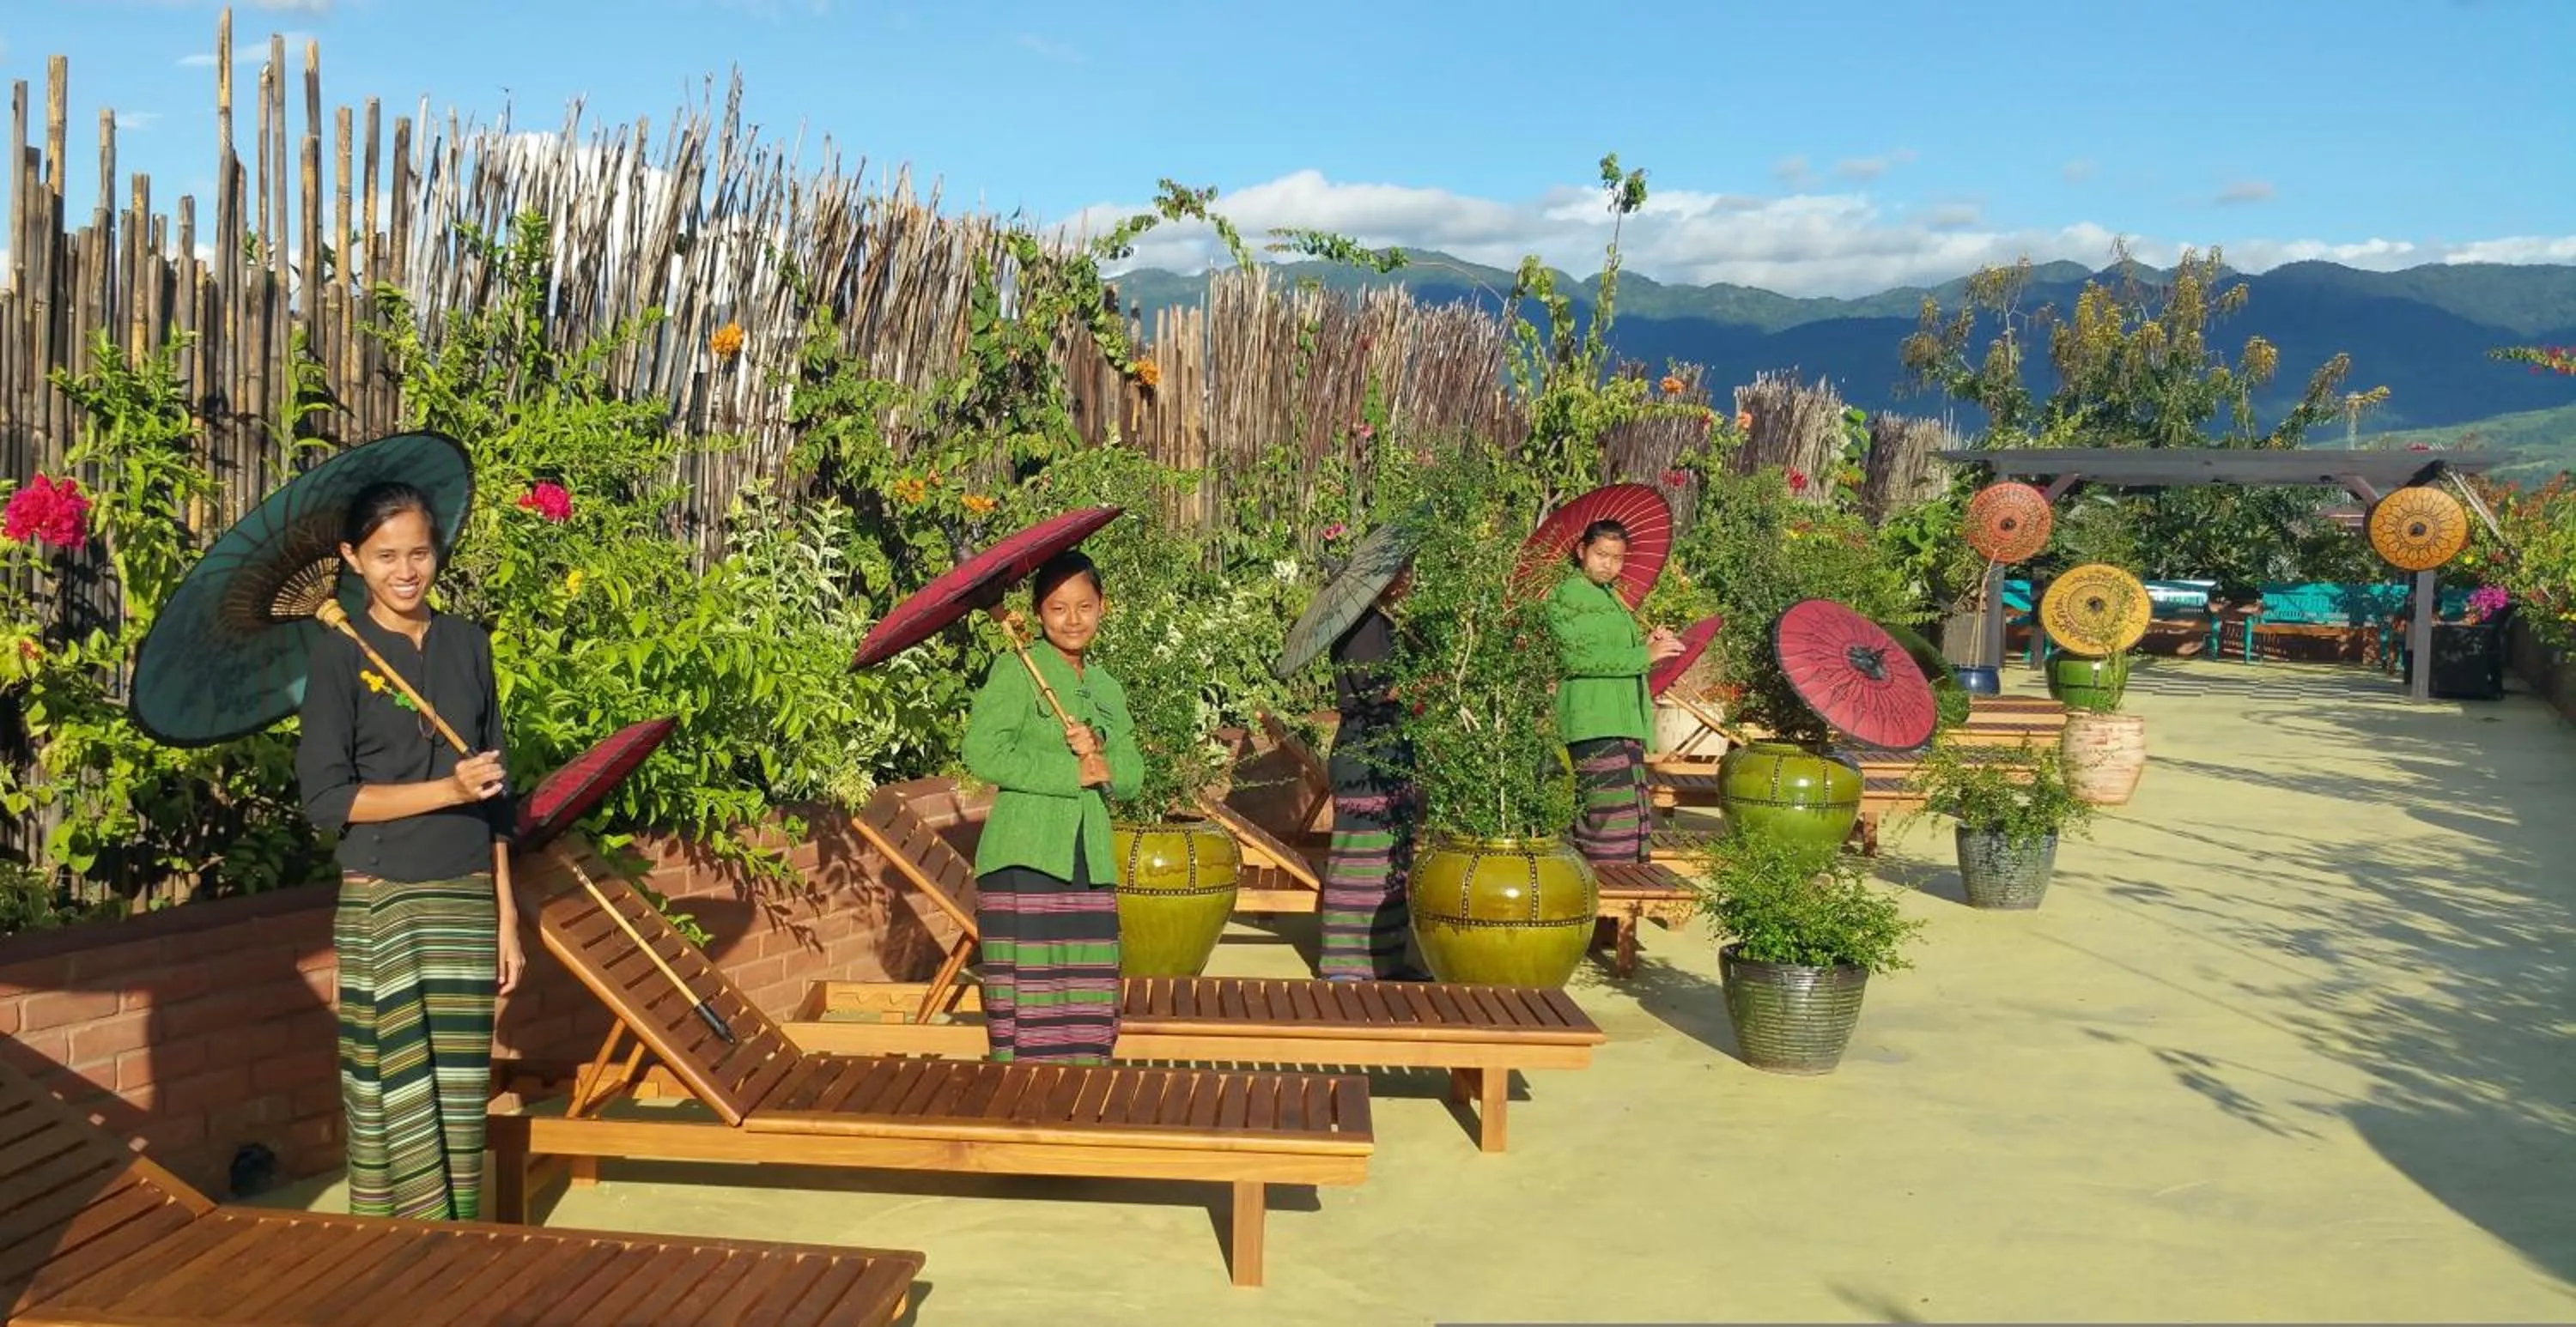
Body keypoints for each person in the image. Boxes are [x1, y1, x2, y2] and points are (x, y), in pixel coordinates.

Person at [295, 480, 521, 1222]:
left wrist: (507, 920)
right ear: (352, 560)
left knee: (458, 1101)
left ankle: (453, 1260)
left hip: (464, 902)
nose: (405, 570)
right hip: (385, 902)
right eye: (385, 555)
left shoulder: (468, 645)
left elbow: (496, 798)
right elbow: (330, 801)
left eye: (418, 552)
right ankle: (395, 1269)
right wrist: (446, 792)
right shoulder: (336, 659)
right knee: (393, 1100)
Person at [962, 549, 1143, 1064]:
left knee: (1089, 1001)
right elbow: (981, 751)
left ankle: (1082, 1114)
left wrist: (1103, 760)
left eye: (1084, 607)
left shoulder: (1106, 686)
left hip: (1088, 858)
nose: (1072, 621)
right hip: (1025, 857)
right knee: (1031, 1006)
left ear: (1103, 607)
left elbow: (1131, 774)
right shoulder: (1018, 668)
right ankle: (1022, 1115)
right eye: (1058, 608)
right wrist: (1069, 772)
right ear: (1038, 613)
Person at [1546, 519, 1684, 866]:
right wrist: (1643, 656)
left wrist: (1645, 644)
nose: (1608, 564)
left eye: (1617, 558)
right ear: (1582, 552)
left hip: (1622, 720)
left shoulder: (1612, 597)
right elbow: (1575, 657)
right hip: (1594, 721)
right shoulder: (1568, 595)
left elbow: (1611, 651)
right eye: (1601, 554)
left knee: (1630, 813)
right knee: (1606, 818)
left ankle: (1620, 908)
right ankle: (1603, 899)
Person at [1318, 567, 1430, 983]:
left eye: (1409, 574)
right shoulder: (1362, 624)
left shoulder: (1384, 621)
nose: (1407, 582)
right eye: (1399, 575)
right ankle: (1347, 966)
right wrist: (1427, 684)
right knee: (1359, 863)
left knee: (1390, 862)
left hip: (1388, 750)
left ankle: (1385, 962)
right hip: (1366, 755)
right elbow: (1377, 689)